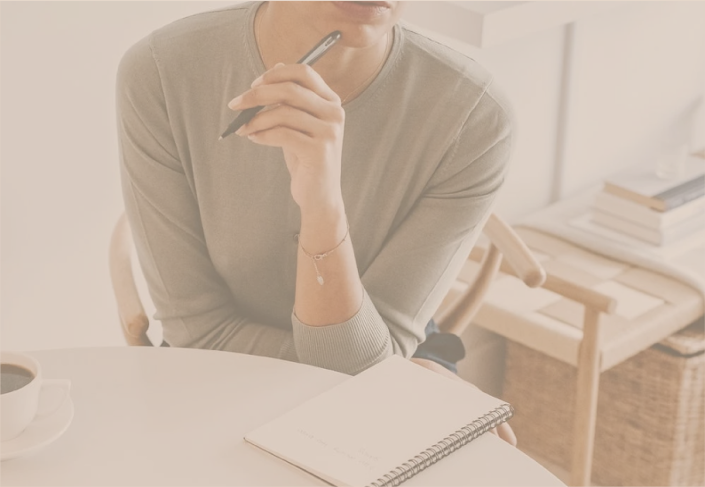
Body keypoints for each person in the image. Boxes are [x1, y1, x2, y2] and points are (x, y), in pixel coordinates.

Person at [117, 1, 515, 444]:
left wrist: (322, 205)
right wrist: (388, 373)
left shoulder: (474, 117)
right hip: (223, 374)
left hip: (381, 375)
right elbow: (198, 331)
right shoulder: (162, 71)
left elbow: (369, 366)